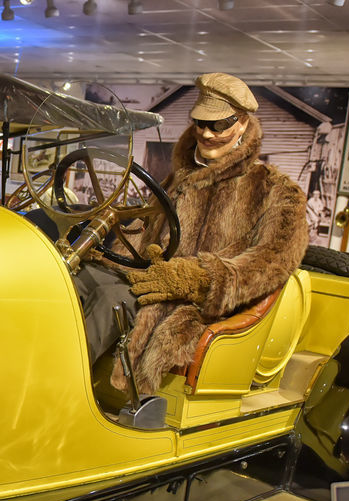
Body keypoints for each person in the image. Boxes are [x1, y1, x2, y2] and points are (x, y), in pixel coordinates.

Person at [89, 72, 307, 395]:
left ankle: (59, 394)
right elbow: (143, 231)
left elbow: (272, 262)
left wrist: (196, 279)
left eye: (218, 125)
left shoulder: (274, 190)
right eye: (199, 122)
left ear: (243, 123)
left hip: (200, 309)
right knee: (81, 279)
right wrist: (106, 251)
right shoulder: (180, 180)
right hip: (150, 285)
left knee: (110, 299)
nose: (206, 133)